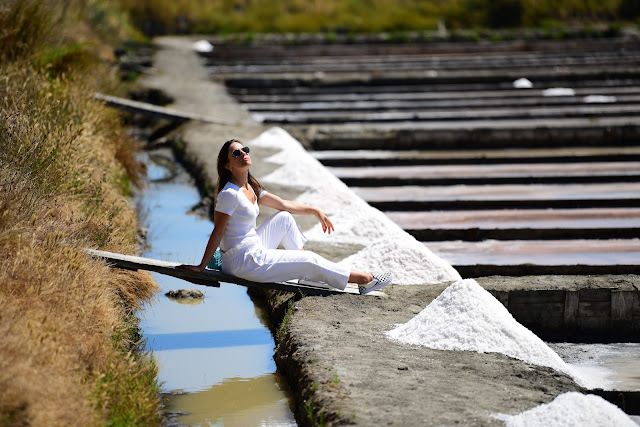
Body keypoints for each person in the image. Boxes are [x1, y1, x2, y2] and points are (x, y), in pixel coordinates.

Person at [179, 139, 393, 294]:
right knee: (309, 259)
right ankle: (365, 280)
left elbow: (283, 205)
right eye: (236, 153)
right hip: (242, 261)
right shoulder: (229, 194)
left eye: (245, 149)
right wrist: (200, 266)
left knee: (283, 218)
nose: (243, 153)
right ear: (227, 165)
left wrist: (315, 211)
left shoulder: (249, 187)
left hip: (253, 247)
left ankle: (305, 276)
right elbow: (218, 231)